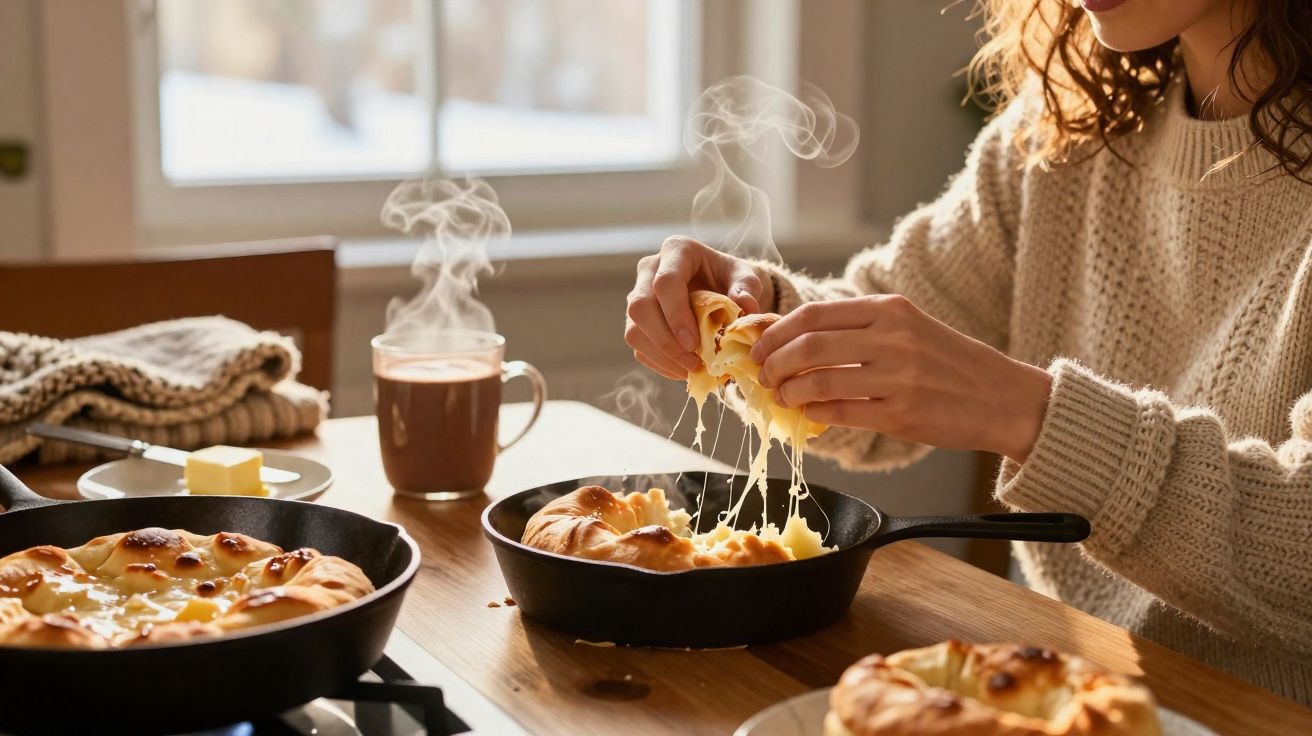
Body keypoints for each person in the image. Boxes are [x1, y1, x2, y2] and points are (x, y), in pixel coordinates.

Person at [625, 0, 1312, 705]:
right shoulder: (1069, 126)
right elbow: (865, 406)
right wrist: (753, 316)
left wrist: (1035, 417)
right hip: (1057, 688)